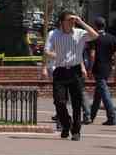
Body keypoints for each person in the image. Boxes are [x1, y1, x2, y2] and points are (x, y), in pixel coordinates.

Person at [41, 10, 99, 141]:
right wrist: (53, 55)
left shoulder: (80, 33)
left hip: (75, 71)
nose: (72, 22)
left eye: (73, 20)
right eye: (69, 20)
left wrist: (81, 21)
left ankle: (76, 131)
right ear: (62, 22)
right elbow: (46, 51)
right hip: (60, 71)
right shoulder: (53, 34)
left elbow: (95, 35)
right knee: (59, 101)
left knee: (77, 103)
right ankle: (66, 123)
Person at [88, 16, 116, 126]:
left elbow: (92, 55)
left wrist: (90, 69)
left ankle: (112, 117)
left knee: (105, 93)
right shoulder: (112, 38)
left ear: (95, 26)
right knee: (98, 93)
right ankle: (90, 116)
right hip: (108, 69)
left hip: (98, 68)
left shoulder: (95, 38)